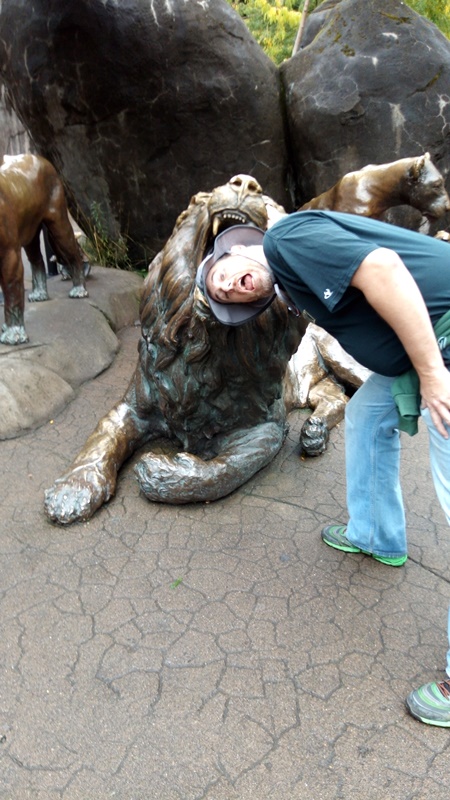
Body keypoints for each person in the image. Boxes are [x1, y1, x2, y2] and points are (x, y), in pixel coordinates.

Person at [196, 208, 450, 725]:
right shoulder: (295, 286)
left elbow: (384, 270)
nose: (228, 288)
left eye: (223, 275)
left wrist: (432, 373)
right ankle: (375, 534)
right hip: (421, 346)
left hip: (441, 342)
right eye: (225, 295)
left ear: (239, 250)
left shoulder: (285, 241)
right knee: (366, 416)